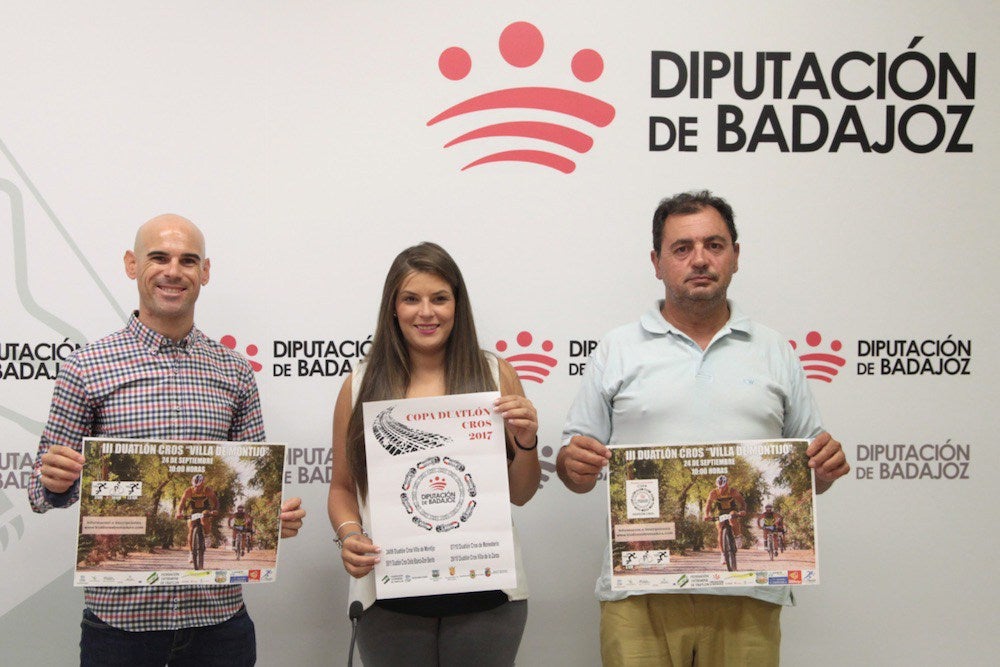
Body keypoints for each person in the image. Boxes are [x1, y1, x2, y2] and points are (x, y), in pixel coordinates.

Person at [557, 191, 850, 666]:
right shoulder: (617, 349)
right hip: (638, 589)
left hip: (749, 598)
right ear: (657, 262)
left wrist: (825, 467)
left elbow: (809, 469)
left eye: (714, 245)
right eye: (682, 248)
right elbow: (574, 472)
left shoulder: (775, 349)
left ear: (735, 255)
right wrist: (574, 463)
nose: (699, 259)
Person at [28, 213, 306, 666]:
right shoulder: (86, 368)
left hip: (219, 624)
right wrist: (53, 482)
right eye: (159, 257)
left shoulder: (234, 372)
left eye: (188, 260)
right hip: (121, 626)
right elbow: (41, 493)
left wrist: (273, 519)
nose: (173, 271)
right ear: (131, 264)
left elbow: (255, 484)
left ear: (205, 272)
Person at [327, 242, 541, 667]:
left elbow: (521, 493)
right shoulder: (360, 384)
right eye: (411, 299)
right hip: (388, 600)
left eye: (439, 298)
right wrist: (351, 535)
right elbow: (341, 488)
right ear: (393, 307)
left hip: (489, 595)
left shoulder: (496, 374)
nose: (426, 312)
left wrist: (527, 440)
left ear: (457, 306)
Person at [703, 474, 747, 563]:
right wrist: (706, 515)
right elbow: (708, 505)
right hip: (721, 512)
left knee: (732, 517)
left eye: (723, 487)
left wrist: (742, 511)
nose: (721, 489)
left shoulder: (732, 491)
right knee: (719, 527)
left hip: (732, 510)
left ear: (727, 484)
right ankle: (723, 554)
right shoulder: (714, 493)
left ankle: (738, 536)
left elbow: (742, 502)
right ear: (716, 485)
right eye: (719, 487)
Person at [177, 473, 219, 564]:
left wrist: (215, 510)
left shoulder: (207, 490)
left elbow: (215, 501)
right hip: (193, 511)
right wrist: (178, 512)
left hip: (205, 510)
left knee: (204, 517)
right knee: (191, 529)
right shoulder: (189, 491)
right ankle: (191, 553)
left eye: (199, 486)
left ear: (203, 484)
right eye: (195, 486)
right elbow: (182, 502)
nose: (197, 488)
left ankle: (207, 536)